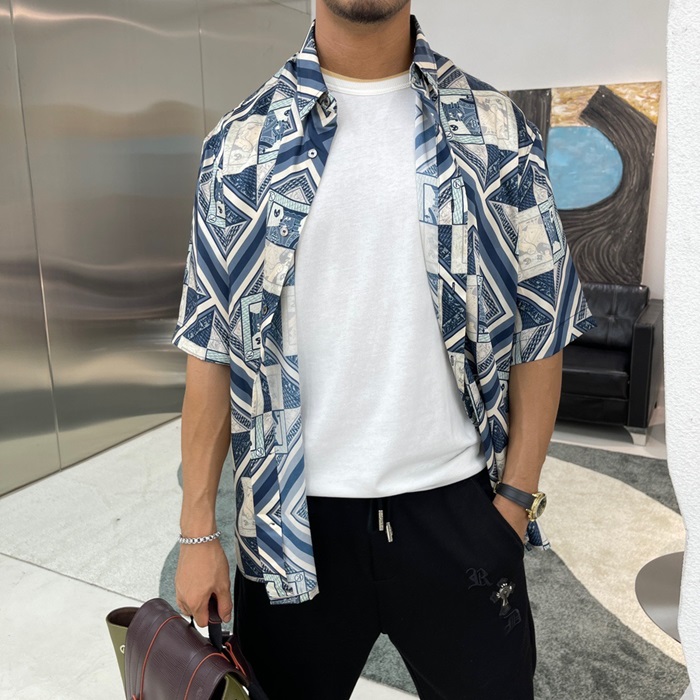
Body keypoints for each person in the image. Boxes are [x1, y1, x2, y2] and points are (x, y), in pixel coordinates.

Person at [171, 1, 598, 698]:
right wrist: (196, 532)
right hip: (290, 520)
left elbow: (539, 331)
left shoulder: (496, 131)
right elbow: (210, 352)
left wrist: (514, 504)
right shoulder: (241, 143)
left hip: (459, 513)